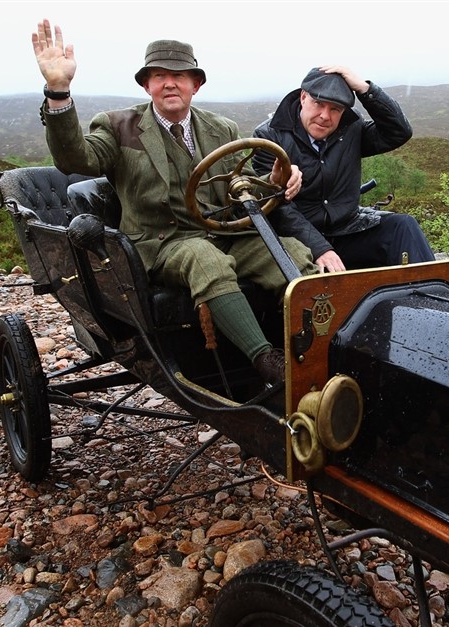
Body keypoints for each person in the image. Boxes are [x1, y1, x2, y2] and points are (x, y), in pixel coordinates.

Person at [31, 20, 318, 388]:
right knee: (204, 258)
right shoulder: (120, 126)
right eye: (160, 75)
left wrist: (279, 181)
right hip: (162, 244)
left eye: (180, 76)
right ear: (146, 84)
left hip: (221, 233)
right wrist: (58, 91)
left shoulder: (222, 129)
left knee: (290, 251)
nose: (170, 83)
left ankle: (318, 351)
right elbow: (75, 159)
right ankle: (267, 361)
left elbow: (238, 188)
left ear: (195, 85)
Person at [252, 66, 435, 272]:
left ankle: (433, 296)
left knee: (404, 227)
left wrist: (366, 89)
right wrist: (320, 248)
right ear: (303, 97)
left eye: (335, 109)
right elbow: (276, 208)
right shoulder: (268, 137)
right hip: (297, 239)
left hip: (348, 230)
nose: (325, 116)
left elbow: (398, 132)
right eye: (318, 104)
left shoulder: (350, 127)